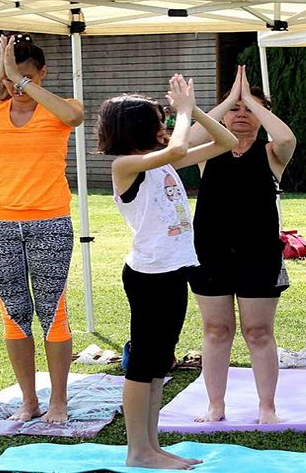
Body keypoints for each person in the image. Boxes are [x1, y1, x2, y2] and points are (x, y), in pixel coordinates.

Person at [98, 75, 237, 469]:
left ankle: (152, 447)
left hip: (175, 269)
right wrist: (183, 113)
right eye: (158, 121)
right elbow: (177, 146)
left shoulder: (162, 163)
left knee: (159, 363)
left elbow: (225, 142)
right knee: (143, 364)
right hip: (149, 276)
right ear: (139, 129)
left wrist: (191, 112)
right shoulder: (127, 165)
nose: (165, 127)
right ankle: (137, 451)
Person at [0, 34, 84, 424]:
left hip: (49, 221)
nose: (17, 87)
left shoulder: (59, 111)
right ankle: (29, 401)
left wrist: (21, 84)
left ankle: (58, 401)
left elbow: (75, 117)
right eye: (12, 80)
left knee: (53, 312)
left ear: (42, 74)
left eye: (25, 77)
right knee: (14, 313)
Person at [187, 66, 296, 424]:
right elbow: (184, 141)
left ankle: (267, 407)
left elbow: (286, 137)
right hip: (210, 249)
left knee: (258, 331)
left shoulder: (271, 153)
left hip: (259, 252)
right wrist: (228, 102)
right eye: (235, 109)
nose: (242, 115)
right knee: (217, 329)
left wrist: (250, 100)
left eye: (250, 109)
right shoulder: (208, 149)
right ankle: (215, 405)